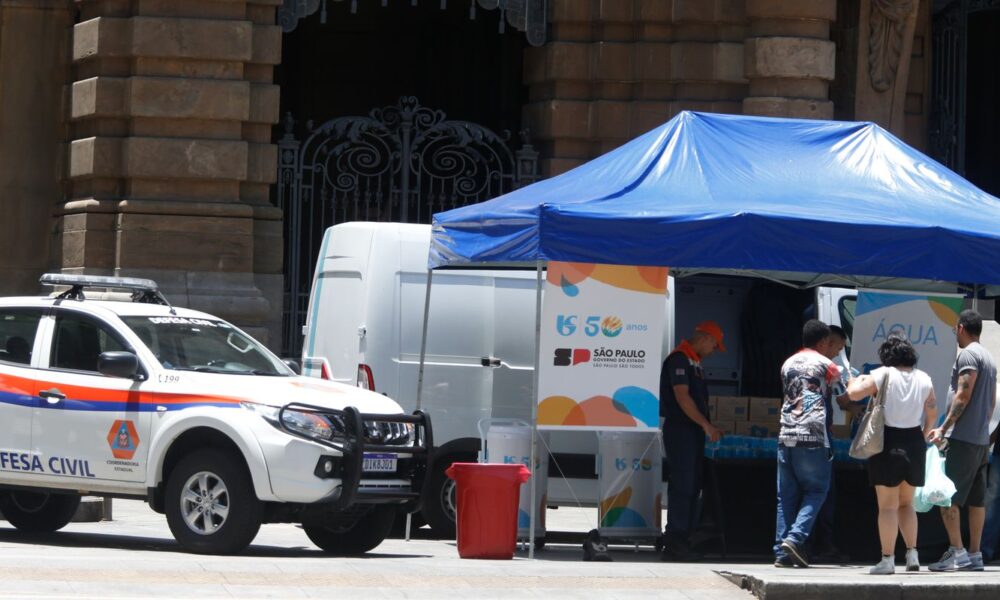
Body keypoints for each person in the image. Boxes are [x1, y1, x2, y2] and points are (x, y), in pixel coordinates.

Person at [846, 333, 937, 574]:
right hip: (915, 443)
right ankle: (912, 554)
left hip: (888, 442)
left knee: (887, 507)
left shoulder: (883, 373)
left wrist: (853, 381)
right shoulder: (925, 378)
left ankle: (887, 560)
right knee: (907, 504)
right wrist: (924, 435)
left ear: (887, 356)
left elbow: (854, 394)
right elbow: (932, 412)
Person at [927, 309, 997, 571]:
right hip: (979, 441)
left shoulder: (968, 354)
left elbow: (963, 395)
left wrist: (944, 428)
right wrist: (983, 430)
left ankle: (957, 552)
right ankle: (975, 554)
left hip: (964, 439)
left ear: (961, 328)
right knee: (977, 501)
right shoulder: (988, 357)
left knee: (948, 498)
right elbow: (990, 403)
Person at [774, 319, 838, 568]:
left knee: (785, 496)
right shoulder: (827, 365)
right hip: (813, 435)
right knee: (817, 490)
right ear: (823, 342)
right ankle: (795, 538)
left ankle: (782, 553)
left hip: (786, 433)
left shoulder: (787, 363)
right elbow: (845, 397)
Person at [660, 320, 726, 562]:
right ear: (705, 338)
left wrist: (706, 425)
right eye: (714, 346)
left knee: (693, 485)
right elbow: (682, 397)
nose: (713, 351)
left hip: (692, 431)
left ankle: (684, 538)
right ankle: (675, 540)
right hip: (681, 430)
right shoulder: (679, 359)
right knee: (683, 484)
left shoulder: (693, 361)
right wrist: (705, 424)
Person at [809, 325, 851, 563]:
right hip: (820, 442)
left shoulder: (795, 363)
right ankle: (822, 544)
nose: (837, 354)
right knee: (824, 493)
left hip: (796, 438)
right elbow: (844, 400)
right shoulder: (828, 367)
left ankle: (803, 544)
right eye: (838, 347)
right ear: (828, 342)